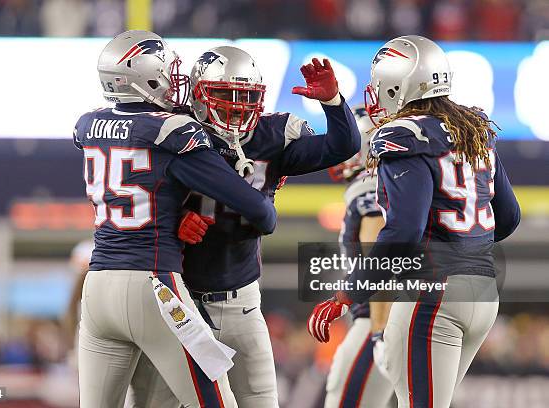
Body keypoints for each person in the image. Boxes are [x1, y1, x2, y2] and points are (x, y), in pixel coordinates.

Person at [307, 35, 520, 408]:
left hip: (431, 294)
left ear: (396, 83)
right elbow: (507, 218)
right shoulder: (475, 127)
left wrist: (346, 293)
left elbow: (402, 233)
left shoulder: (401, 135)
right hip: (483, 294)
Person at [74, 31, 277, 408]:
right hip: (154, 285)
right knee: (218, 402)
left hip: (98, 288)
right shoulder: (173, 132)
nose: (176, 81)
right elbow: (258, 211)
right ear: (147, 78)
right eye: (168, 72)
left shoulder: (89, 125)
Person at [177, 46, 361, 408]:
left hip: (242, 299)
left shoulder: (272, 136)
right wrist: (172, 218)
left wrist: (334, 104)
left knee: (261, 401)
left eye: (245, 97)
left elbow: (343, 145)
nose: (236, 106)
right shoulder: (178, 133)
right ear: (199, 94)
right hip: (182, 299)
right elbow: (143, 197)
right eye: (225, 95)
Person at [321, 106, 394, 408]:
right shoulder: (397, 184)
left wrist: (378, 330)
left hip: (380, 320)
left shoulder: (371, 189)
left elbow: (381, 262)